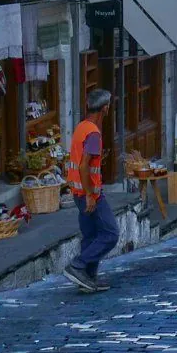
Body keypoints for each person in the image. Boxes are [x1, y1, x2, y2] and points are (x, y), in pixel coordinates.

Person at [63, 89, 120, 293]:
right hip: (90, 194)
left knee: (91, 234)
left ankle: (87, 278)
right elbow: (84, 166)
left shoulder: (81, 127)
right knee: (111, 233)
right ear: (104, 108)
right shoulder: (94, 134)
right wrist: (90, 195)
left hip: (78, 192)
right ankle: (78, 265)